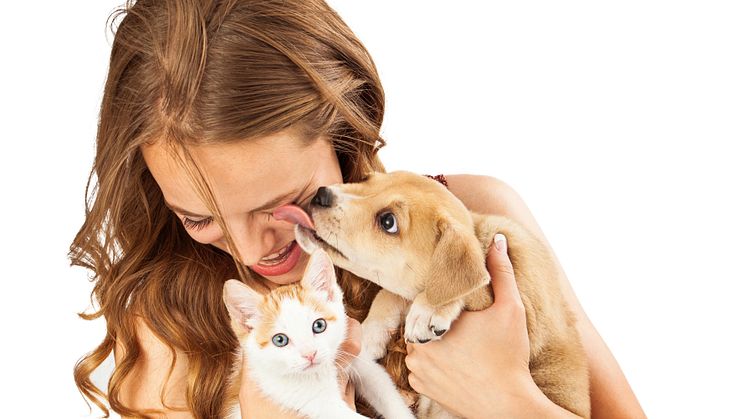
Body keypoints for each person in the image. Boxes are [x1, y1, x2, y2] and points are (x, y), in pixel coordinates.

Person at [70, 1, 646, 418]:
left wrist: (507, 399)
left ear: (346, 131)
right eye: (200, 219)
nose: (253, 252)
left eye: (285, 204)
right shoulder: (168, 328)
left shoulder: (471, 223)